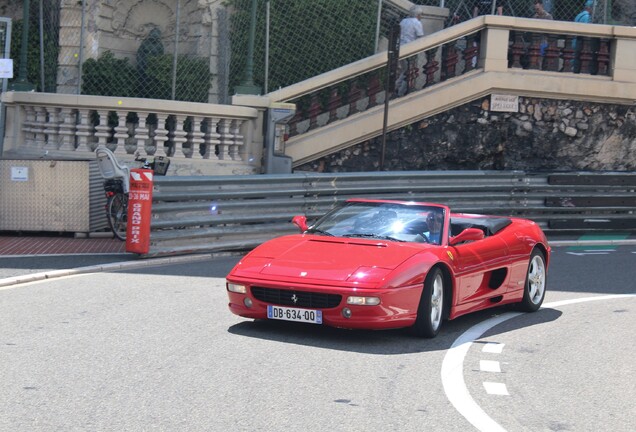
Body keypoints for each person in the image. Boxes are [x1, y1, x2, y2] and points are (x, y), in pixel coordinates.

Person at [395, 6, 425, 97]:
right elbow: (420, 36)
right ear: (418, 15)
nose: (421, 16)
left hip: (399, 47)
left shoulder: (404, 21)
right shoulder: (417, 23)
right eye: (421, 14)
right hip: (409, 48)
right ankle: (399, 89)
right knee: (409, 70)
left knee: (405, 69)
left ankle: (397, 86)